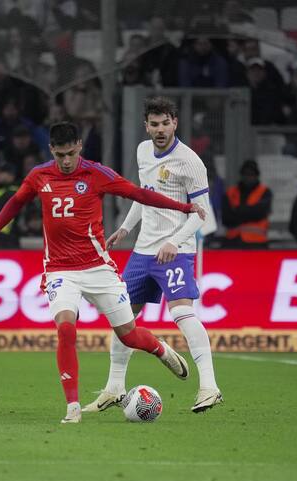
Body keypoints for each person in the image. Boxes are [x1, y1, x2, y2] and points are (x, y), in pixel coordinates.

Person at [0, 121, 206, 424]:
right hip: (59, 270)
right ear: (52, 149)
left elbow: (138, 195)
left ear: (80, 145)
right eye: (60, 154)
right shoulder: (39, 176)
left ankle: (160, 349)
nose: (66, 161)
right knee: (66, 328)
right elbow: (14, 203)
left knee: (129, 336)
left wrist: (183, 208)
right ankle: (73, 407)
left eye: (71, 153)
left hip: (98, 268)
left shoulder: (97, 174)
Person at [82, 96, 223, 414]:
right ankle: (114, 388)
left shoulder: (190, 162)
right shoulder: (143, 150)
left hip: (177, 250)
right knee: (122, 318)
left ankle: (209, 387)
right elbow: (144, 194)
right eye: (154, 124)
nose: (160, 129)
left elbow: (201, 213)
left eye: (165, 123)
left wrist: (175, 241)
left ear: (175, 123)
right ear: (146, 126)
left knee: (181, 313)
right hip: (143, 250)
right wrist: (127, 227)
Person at [222, 159, 272, 248]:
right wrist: (250, 211)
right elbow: (226, 218)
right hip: (233, 241)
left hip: (257, 242)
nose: (248, 177)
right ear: (241, 175)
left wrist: (237, 210)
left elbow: (260, 213)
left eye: (251, 174)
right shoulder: (231, 192)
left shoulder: (264, 192)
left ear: (256, 175)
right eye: (246, 174)